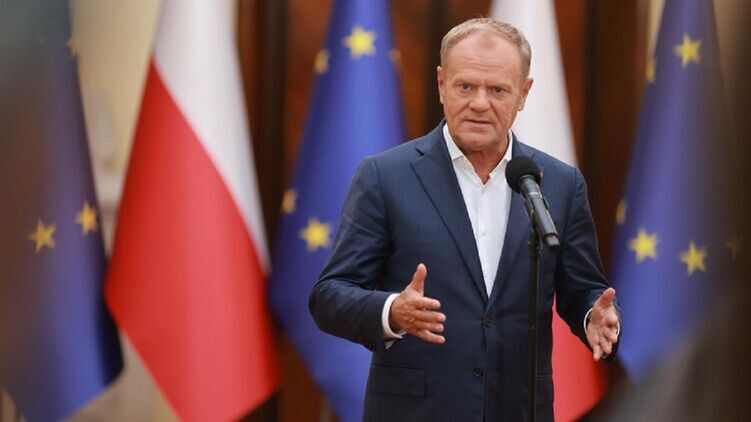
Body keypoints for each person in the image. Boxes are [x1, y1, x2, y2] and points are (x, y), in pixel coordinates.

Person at [309, 17, 620, 421]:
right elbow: (329, 295)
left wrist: (593, 315)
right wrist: (392, 310)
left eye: (497, 90)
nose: (479, 103)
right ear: (442, 84)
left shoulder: (559, 184)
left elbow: (583, 289)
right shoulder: (385, 177)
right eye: (466, 86)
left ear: (523, 93)